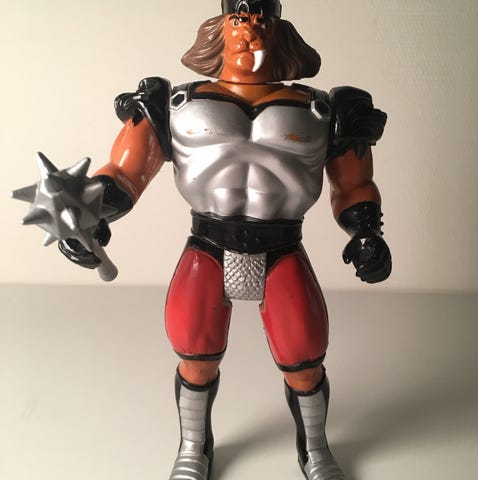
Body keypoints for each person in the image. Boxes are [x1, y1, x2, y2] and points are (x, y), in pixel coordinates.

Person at [59, 1, 391, 479]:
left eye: (260, 19)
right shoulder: (172, 102)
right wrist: (90, 214)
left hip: (282, 246)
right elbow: (126, 173)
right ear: (220, 25)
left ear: (278, 29)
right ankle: (194, 446)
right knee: (195, 356)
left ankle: (316, 448)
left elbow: (353, 184)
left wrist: (367, 233)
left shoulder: (324, 109)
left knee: (304, 359)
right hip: (207, 245)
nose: (249, 28)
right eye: (239, 17)